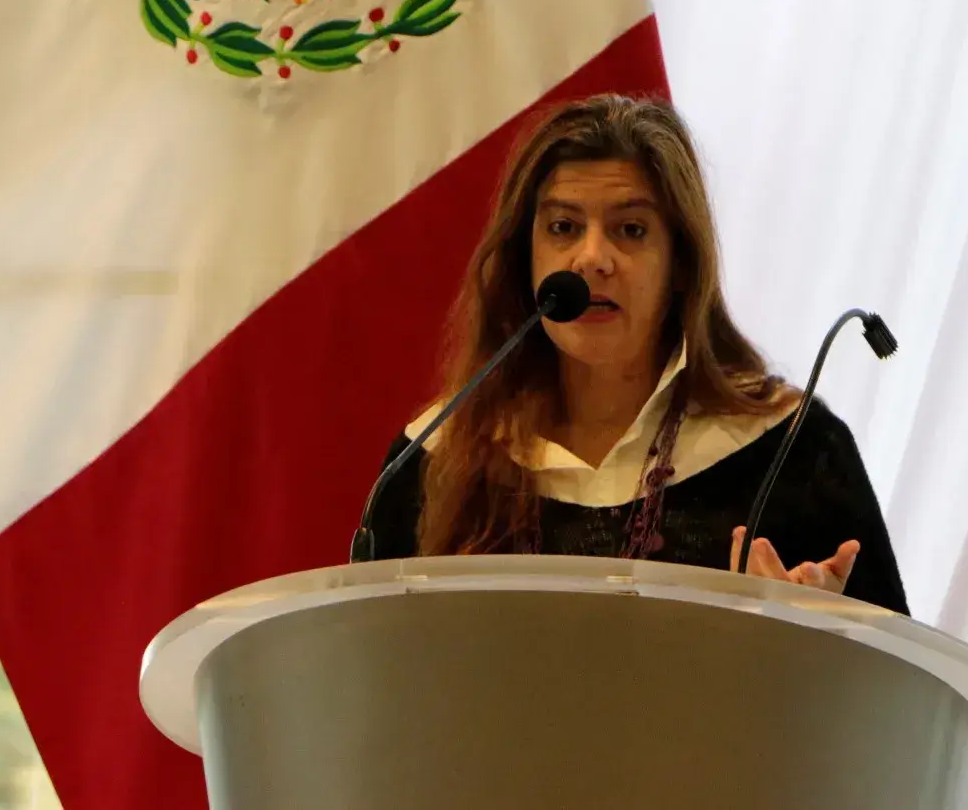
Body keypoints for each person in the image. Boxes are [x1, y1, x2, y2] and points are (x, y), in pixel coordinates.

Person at [367, 94, 908, 614]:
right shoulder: (430, 459)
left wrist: (816, 641)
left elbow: (897, 673)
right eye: (563, 227)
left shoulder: (793, 449)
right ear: (523, 258)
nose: (592, 258)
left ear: (680, 264)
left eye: (630, 229)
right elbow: (376, 665)